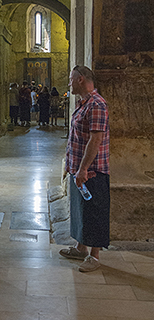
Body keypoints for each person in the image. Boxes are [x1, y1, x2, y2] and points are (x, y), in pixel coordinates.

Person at [59, 66, 110, 272]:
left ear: (80, 80)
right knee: (81, 210)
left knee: (94, 211)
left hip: (92, 171)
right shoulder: (83, 104)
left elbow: (95, 140)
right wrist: (71, 165)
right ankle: (81, 248)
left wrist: (83, 169)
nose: (69, 83)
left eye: (71, 79)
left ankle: (94, 255)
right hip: (78, 168)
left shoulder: (97, 104)